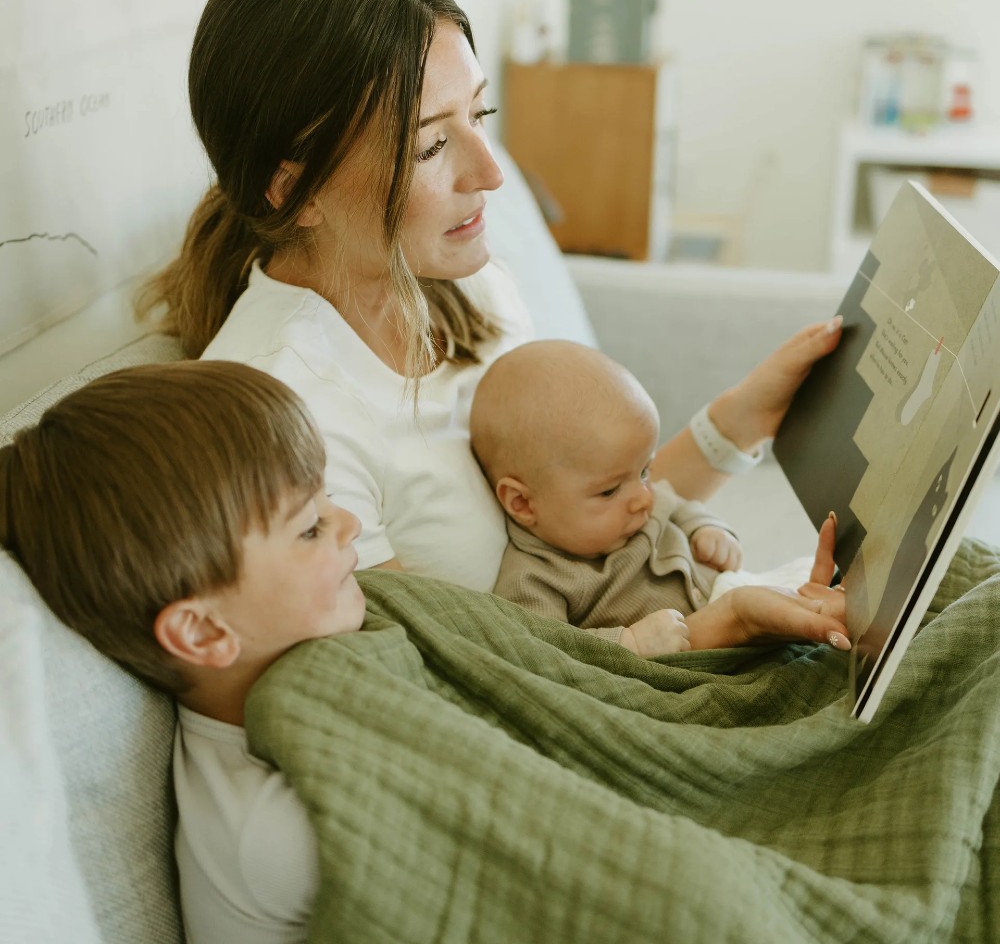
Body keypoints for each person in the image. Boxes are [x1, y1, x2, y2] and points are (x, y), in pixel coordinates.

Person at [0, 360, 850, 944]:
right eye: (307, 527)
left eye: (325, 501)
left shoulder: (366, 623)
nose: (346, 528)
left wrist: (727, 628)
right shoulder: (271, 824)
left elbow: (554, 679)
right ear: (202, 632)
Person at [136, 0, 845, 607]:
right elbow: (460, 677)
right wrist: (695, 636)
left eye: (481, 113)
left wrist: (744, 418)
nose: (492, 172)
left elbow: (597, 524)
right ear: (292, 191)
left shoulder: (466, 285)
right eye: (432, 144)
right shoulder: (284, 418)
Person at [470, 339, 841, 658]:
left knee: (847, 594)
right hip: (714, 643)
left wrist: (707, 529)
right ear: (522, 503)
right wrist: (628, 643)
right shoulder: (535, 580)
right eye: (609, 490)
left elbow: (678, 506)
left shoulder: (637, 505)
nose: (642, 499)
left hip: (743, 587)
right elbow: (548, 653)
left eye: (644, 471)